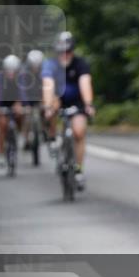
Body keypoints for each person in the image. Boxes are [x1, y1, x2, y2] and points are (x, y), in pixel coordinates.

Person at [42, 32, 95, 189]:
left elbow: (85, 84)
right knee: (51, 108)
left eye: (68, 51)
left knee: (79, 132)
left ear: (72, 50)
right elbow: (48, 85)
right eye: (61, 52)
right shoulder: (51, 65)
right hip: (58, 100)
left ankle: (78, 169)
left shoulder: (80, 64)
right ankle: (52, 138)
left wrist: (88, 104)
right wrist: (47, 106)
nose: (64, 55)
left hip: (76, 101)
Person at [0, 54, 25, 169]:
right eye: (8, 70)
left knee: (21, 115)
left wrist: (21, 103)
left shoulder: (21, 76)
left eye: (13, 71)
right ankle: (1, 154)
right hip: (4, 102)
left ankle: (21, 134)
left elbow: (23, 91)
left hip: (16, 101)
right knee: (2, 125)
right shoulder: (0, 77)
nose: (11, 73)